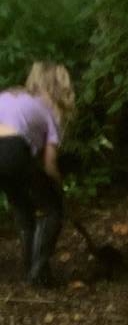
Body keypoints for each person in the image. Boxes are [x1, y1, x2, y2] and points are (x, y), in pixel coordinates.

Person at [0, 62, 73, 285]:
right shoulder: (48, 111)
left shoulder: (10, 95)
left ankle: (29, 270)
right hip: (12, 150)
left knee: (22, 205)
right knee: (52, 210)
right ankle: (37, 273)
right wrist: (58, 189)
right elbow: (50, 164)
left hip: (9, 153)